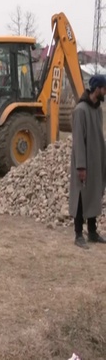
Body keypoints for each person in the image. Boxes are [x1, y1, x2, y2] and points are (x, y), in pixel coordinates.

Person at [69, 74, 106, 249]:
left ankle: (92, 231)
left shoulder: (98, 110)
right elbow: (78, 141)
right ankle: (78, 234)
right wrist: (81, 166)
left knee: (94, 194)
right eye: (104, 88)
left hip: (96, 159)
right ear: (97, 89)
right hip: (83, 162)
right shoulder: (80, 111)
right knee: (81, 196)